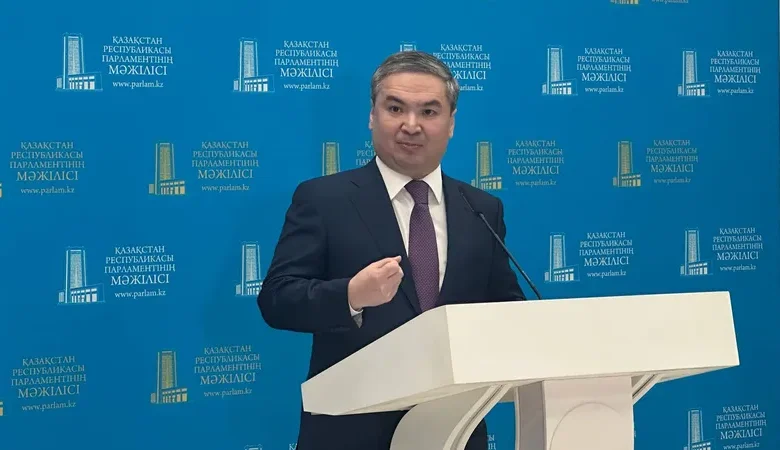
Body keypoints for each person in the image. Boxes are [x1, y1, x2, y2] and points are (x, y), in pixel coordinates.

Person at [256, 50, 526, 450]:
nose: (410, 125)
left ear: (451, 123)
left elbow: (505, 309)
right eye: (395, 108)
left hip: (455, 431)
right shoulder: (324, 200)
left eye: (429, 112)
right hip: (351, 433)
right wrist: (350, 295)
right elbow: (277, 300)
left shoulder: (481, 208)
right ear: (372, 116)